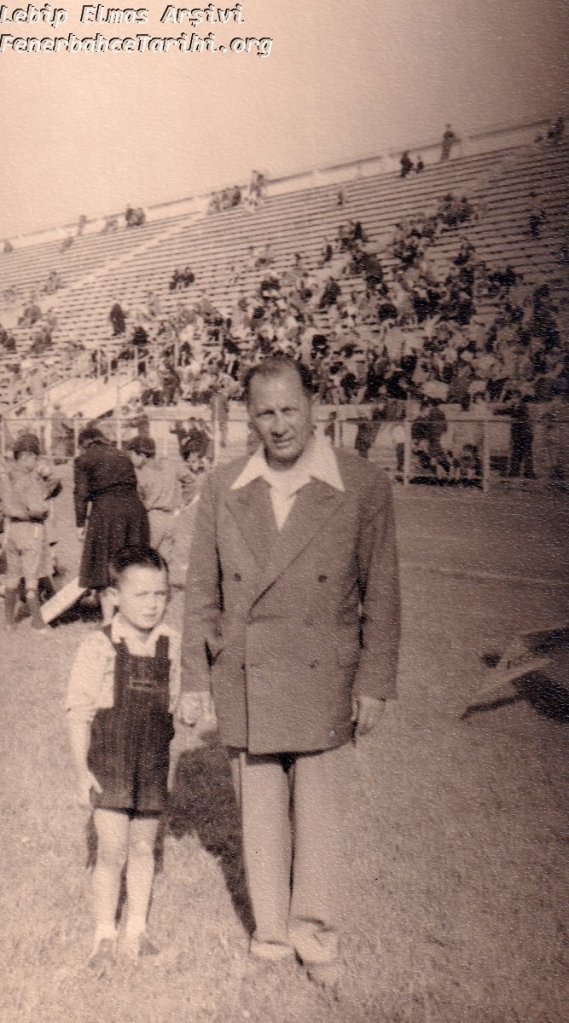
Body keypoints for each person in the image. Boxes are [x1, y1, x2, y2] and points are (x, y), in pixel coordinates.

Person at [179, 356, 400, 993]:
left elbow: (382, 592)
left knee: (320, 817)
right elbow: (201, 593)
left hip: (326, 675)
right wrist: (194, 679)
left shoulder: (361, 484)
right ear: (249, 419)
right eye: (265, 413)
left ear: (314, 406)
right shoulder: (224, 485)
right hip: (245, 673)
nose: (278, 425)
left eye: (289, 410)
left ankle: (316, 934)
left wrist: (374, 682)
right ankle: (272, 934)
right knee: (260, 814)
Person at [66, 547, 180, 973]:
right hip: (110, 763)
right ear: (114, 596)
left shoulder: (172, 644)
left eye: (160, 594)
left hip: (151, 762)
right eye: (141, 595)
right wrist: (82, 771)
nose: (152, 604)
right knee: (112, 851)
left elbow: (177, 701)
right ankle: (103, 935)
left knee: (144, 847)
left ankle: (137, 931)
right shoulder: (98, 646)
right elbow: (78, 713)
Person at [74, 427, 149, 625]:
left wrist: (80, 524)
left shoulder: (83, 459)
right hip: (134, 511)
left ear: (84, 444)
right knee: (130, 564)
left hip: (106, 512)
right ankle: (130, 616)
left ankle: (108, 620)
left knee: (103, 565)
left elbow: (81, 494)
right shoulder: (123, 455)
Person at [1, 433, 60, 630]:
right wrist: (44, 509)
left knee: (12, 576)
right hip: (31, 530)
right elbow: (38, 508)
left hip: (11, 530)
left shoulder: (6, 476)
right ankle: (38, 622)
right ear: (27, 456)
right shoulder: (30, 479)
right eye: (36, 458)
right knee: (31, 578)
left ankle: (9, 622)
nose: (36, 462)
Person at [127, 436, 189, 563]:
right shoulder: (170, 465)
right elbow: (191, 481)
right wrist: (184, 502)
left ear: (142, 455)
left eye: (132, 455)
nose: (130, 459)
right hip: (171, 518)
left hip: (152, 518)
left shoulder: (141, 473)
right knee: (164, 560)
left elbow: (138, 498)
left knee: (145, 558)